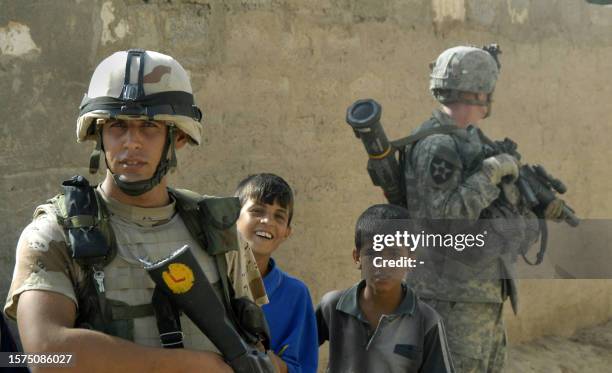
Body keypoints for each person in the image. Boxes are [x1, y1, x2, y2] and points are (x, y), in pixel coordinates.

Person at [3, 49, 272, 372]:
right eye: (117, 126)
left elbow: (253, 339)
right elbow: (45, 355)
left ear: (179, 137)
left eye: (148, 127)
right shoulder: (56, 233)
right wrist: (195, 365)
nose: (132, 142)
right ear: (98, 135)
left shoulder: (217, 228)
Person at [401, 45, 559, 372]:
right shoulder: (438, 145)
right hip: (450, 299)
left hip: (479, 295)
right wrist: (490, 173)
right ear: (476, 92)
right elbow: (445, 221)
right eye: (486, 91)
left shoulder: (470, 139)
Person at [316, 204, 455, 373]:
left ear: (410, 260)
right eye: (372, 253)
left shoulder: (427, 321)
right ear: (357, 257)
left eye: (394, 254)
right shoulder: (332, 306)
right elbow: (295, 354)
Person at [235, 173, 318, 373]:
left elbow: (304, 366)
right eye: (257, 211)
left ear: (287, 232)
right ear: (233, 217)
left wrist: (277, 366)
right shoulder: (210, 279)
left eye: (279, 216)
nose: (267, 221)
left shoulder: (295, 294)